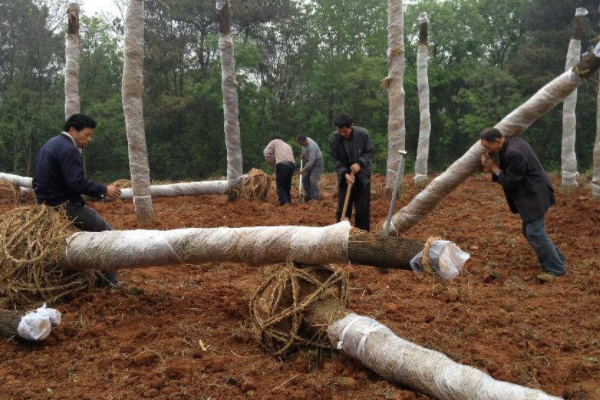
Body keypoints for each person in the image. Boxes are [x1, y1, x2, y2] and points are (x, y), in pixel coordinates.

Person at [33, 113, 122, 286]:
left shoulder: (50, 144)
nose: (89, 139)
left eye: (91, 135)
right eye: (87, 134)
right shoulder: (69, 149)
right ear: (73, 130)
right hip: (66, 207)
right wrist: (104, 190)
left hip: (44, 205)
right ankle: (107, 283)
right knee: (108, 235)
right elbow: (76, 182)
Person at [479, 127, 567, 282]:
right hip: (533, 192)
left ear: (498, 141)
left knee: (534, 232)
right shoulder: (513, 143)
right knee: (530, 231)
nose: (487, 150)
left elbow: (510, 181)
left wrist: (493, 168)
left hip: (534, 195)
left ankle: (556, 269)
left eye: (487, 147)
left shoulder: (514, 153)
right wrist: (492, 162)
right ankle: (557, 259)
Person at [328, 113, 374, 231]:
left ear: (351, 126)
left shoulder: (363, 134)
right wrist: (345, 173)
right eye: (340, 131)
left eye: (345, 131)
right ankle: (340, 233)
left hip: (362, 178)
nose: (342, 134)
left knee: (362, 209)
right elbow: (335, 159)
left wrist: (360, 164)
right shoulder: (334, 139)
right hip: (345, 179)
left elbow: (369, 152)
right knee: (343, 208)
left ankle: (362, 236)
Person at [263, 136, 295, 205]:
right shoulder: (287, 145)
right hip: (292, 165)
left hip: (282, 164)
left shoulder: (273, 142)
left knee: (280, 185)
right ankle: (288, 201)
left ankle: (284, 202)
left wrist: (272, 161)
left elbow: (266, 152)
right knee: (287, 185)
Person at [296, 134, 324, 202]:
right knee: (305, 178)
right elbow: (304, 149)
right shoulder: (303, 143)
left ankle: (316, 198)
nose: (301, 145)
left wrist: (303, 170)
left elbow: (311, 161)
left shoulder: (312, 146)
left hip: (317, 163)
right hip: (309, 162)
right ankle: (308, 196)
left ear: (305, 140)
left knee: (312, 180)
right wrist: (303, 154)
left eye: (302, 144)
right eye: (300, 144)